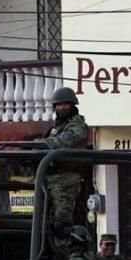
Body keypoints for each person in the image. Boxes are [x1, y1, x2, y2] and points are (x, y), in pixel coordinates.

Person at [43, 87, 89, 239]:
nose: (62, 108)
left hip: (67, 180)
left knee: (62, 226)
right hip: (51, 179)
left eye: (65, 104)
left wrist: (41, 145)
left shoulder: (77, 125)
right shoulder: (57, 127)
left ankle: (67, 252)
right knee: (44, 223)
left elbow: (63, 141)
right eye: (59, 105)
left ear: (72, 105)